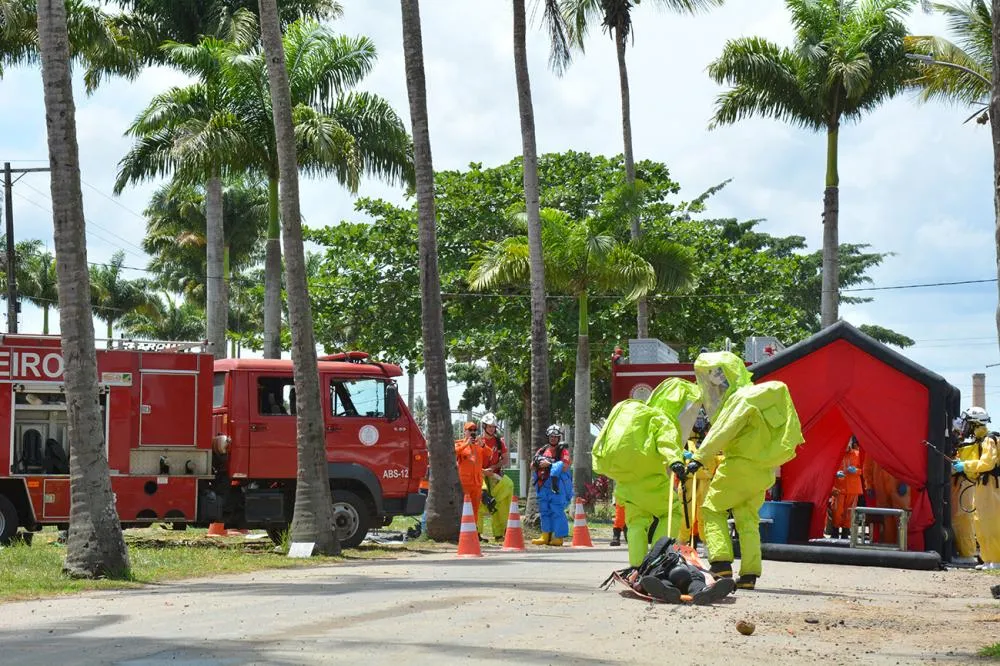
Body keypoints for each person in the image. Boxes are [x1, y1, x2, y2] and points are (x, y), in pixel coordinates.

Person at [684, 351, 803, 591]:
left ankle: (720, 564)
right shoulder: (760, 398)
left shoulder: (741, 399)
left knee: (711, 509)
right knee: (747, 520)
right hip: (762, 470)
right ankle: (749, 574)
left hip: (739, 465)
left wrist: (698, 458)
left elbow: (723, 431)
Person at [592, 378, 692, 568]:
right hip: (651, 482)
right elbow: (667, 442)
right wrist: (676, 461)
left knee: (637, 521)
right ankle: (659, 558)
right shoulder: (661, 418)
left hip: (626, 482)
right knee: (671, 512)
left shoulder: (636, 415)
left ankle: (637, 566)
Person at [951, 407, 1000, 570]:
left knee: (992, 522)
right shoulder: (979, 441)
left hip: (991, 485)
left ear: (975, 424)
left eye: (968, 424)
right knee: (980, 522)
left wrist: (965, 465)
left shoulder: (989, 439)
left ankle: (996, 560)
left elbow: (987, 464)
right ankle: (988, 559)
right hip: (981, 484)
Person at [678, 409, 719, 546]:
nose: (699, 422)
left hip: (707, 479)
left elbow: (721, 455)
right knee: (685, 513)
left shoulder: (713, 434)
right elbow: (675, 450)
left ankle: (708, 544)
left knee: (705, 514)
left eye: (701, 419)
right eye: (696, 418)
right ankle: (682, 543)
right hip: (688, 478)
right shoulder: (685, 435)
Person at [531, 425, 572, 546]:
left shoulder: (563, 451)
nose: (553, 438)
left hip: (556, 485)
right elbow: (532, 466)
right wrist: (539, 464)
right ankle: (545, 536)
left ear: (559, 437)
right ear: (548, 437)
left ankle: (558, 537)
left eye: (556, 436)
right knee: (544, 510)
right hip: (542, 484)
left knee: (557, 510)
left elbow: (564, 466)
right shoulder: (542, 450)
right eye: (551, 436)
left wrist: (549, 464)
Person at [951, 411, 983, 564]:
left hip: (966, 482)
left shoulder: (979, 442)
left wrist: (962, 466)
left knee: (963, 517)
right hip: (960, 481)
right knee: (957, 517)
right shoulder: (967, 441)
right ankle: (963, 551)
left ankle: (968, 554)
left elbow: (975, 463)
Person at [477, 412, 514, 542]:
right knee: (479, 502)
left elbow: (505, 460)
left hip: (494, 475)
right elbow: (472, 460)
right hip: (479, 475)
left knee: (506, 490)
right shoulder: (478, 441)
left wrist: (493, 468)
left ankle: (499, 533)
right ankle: (476, 533)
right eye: (489, 426)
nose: (492, 429)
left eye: (493, 427)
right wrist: (482, 471)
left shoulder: (499, 442)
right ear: (484, 426)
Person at [830, 436, 863, 540]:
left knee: (849, 511)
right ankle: (835, 531)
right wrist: (835, 473)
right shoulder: (835, 453)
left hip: (853, 488)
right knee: (837, 510)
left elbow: (864, 470)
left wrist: (856, 471)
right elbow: (828, 469)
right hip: (838, 488)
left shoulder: (857, 454)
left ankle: (845, 532)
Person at [455, 422, 484, 526]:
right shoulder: (459, 443)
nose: (472, 432)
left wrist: (483, 445)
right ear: (465, 432)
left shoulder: (479, 445)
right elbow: (454, 451)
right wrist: (466, 444)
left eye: (474, 430)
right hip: (465, 484)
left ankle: (473, 531)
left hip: (477, 483)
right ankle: (462, 531)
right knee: (464, 508)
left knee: (475, 509)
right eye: (470, 430)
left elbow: (489, 455)